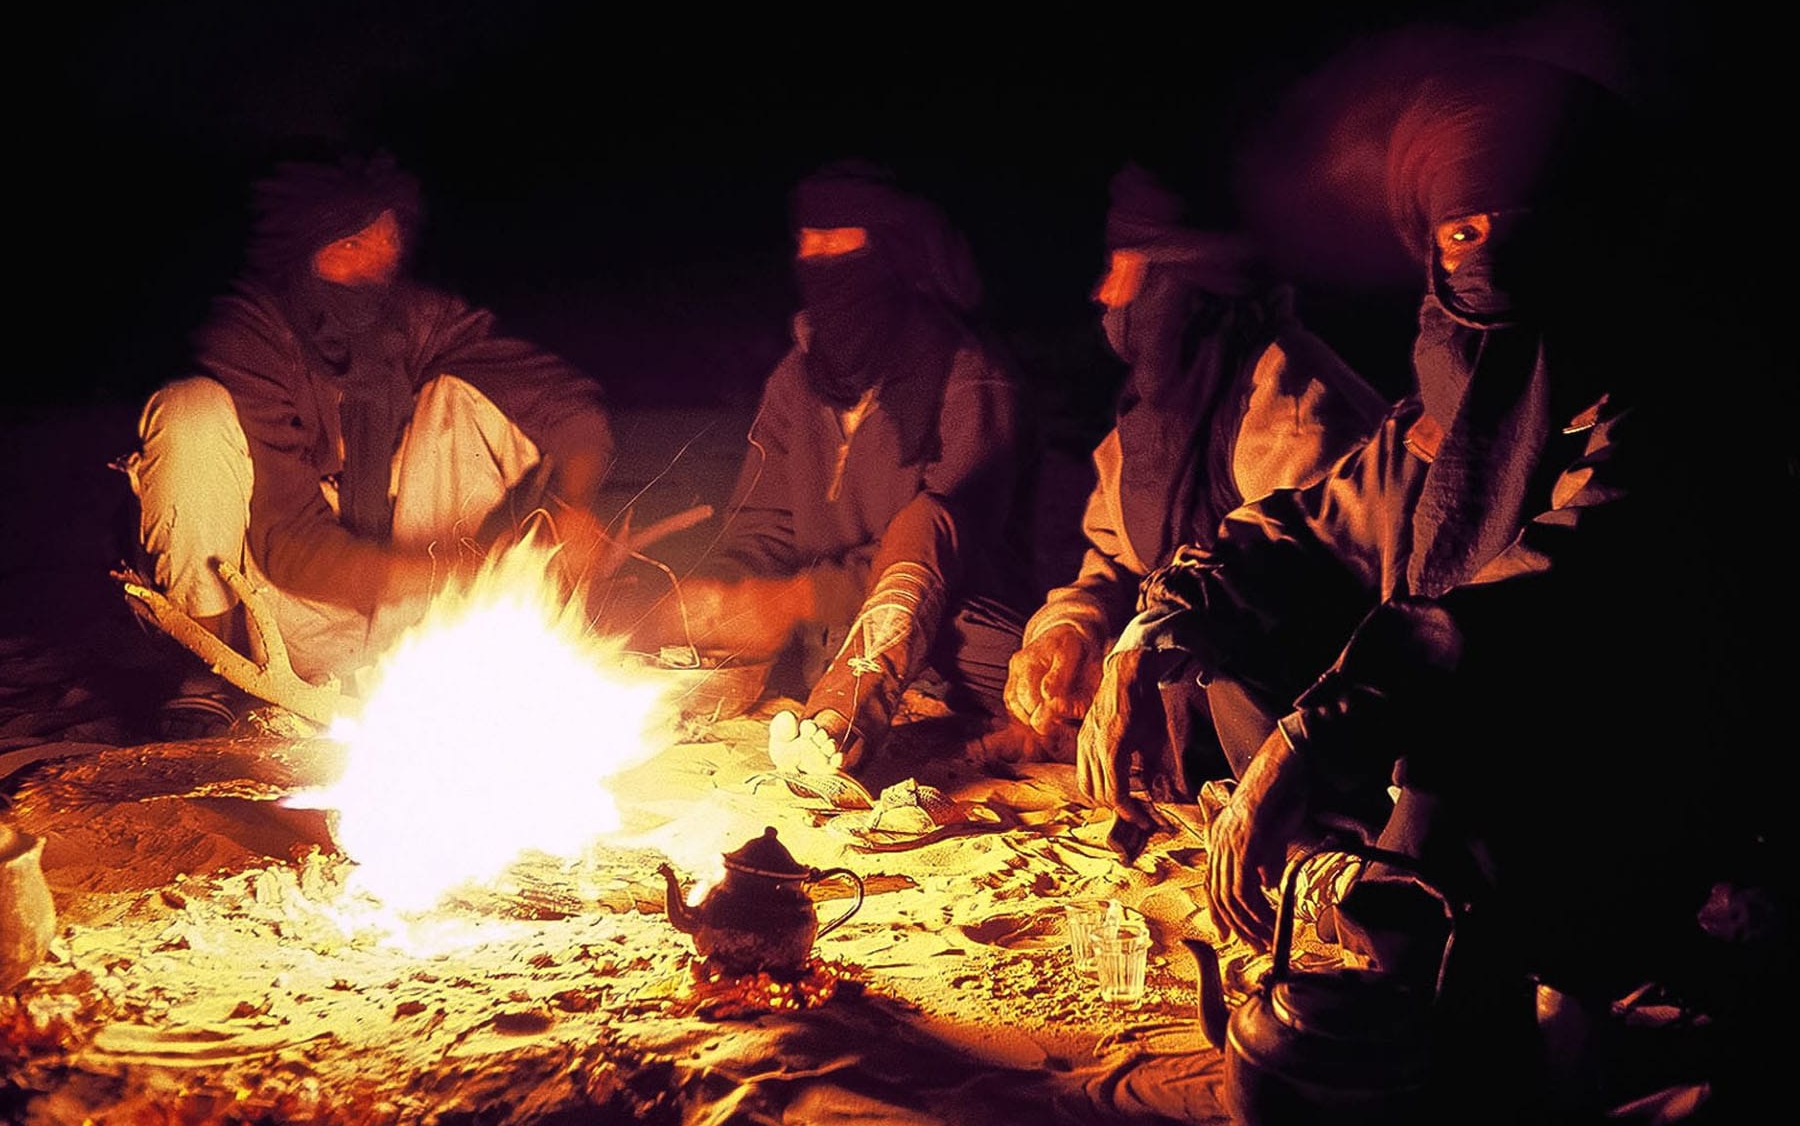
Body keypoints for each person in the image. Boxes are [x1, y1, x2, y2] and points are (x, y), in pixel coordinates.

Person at [1076, 54, 1730, 1103]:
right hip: (1446, 754)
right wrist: (1148, 636)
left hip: (1602, 785)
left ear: (1595, 225)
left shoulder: (1664, 411)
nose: (1489, 258)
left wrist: (1310, 735)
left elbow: (1521, 606)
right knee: (1232, 643)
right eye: (1462, 232)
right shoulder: (1443, 401)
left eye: (1522, 224)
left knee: (1448, 755)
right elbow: (1299, 530)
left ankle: (1539, 1010)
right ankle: (1367, 898)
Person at [123, 150, 620, 734]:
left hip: (398, 616)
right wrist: (466, 570)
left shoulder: (417, 319)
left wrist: (573, 509)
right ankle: (208, 672)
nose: (380, 260)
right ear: (298, 255)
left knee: (464, 395)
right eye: (351, 246)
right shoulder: (250, 336)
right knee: (191, 411)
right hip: (272, 608)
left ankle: (443, 658)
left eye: (387, 237)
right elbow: (289, 543)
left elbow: (564, 404)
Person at [1002, 164, 1388, 773]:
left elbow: (1296, 588)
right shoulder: (1145, 421)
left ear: (1173, 283)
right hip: (1182, 681)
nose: (1102, 294)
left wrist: (1149, 648)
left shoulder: (1290, 400)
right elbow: (1114, 564)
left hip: (1304, 731)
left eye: (1118, 270)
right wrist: (1072, 628)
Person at [662, 159, 1034, 779]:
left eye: (839, 242)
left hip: (959, 677)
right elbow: (765, 524)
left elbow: (948, 541)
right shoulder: (797, 381)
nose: (817, 257)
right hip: (825, 669)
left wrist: (799, 597)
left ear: (891, 254)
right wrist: (726, 593)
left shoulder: (970, 377)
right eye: (807, 242)